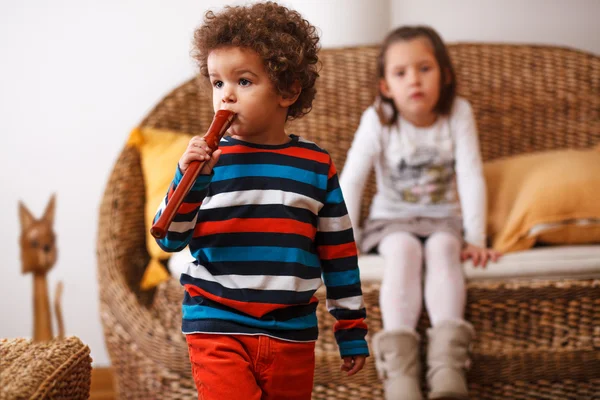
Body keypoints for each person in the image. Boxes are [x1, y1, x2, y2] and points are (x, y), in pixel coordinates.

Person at [153, 3, 368, 399]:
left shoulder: (315, 165)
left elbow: (338, 253)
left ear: (287, 91)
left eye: (244, 81)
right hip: (216, 323)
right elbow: (169, 237)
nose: (226, 96)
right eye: (217, 83)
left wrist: (350, 328)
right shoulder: (207, 162)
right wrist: (189, 177)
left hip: (291, 331)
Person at [339, 26, 501, 400]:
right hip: (391, 220)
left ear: (444, 75)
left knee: (445, 249)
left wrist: (475, 238)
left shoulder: (458, 113)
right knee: (404, 251)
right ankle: (400, 374)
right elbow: (352, 179)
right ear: (386, 86)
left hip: (444, 218)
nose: (413, 79)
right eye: (400, 73)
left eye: (424, 68)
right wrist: (348, 240)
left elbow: (471, 174)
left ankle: (447, 368)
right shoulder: (377, 117)